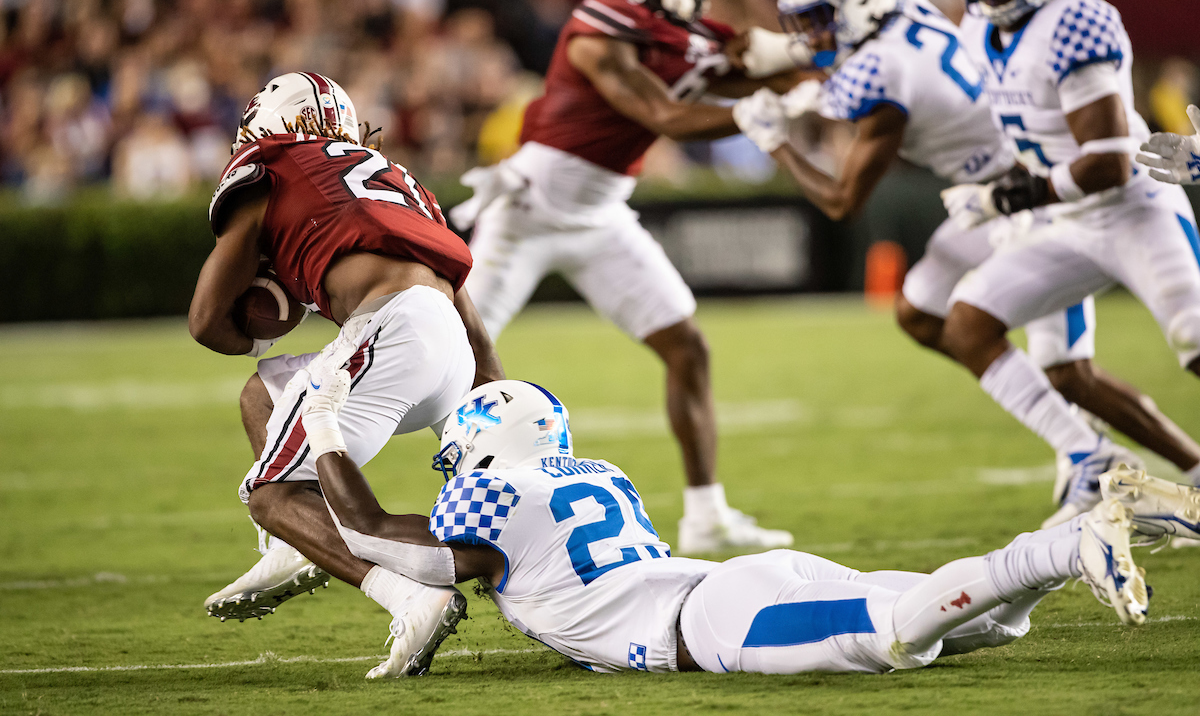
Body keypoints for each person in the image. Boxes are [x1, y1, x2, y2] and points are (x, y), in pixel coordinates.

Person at [730, 0, 1200, 527]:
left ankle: (1096, 460)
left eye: (820, 20)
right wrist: (803, 70)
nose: (810, 36)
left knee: (1078, 368)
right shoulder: (904, 7)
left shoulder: (883, 69)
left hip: (1030, 194)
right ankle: (1096, 457)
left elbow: (843, 200)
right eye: (803, 23)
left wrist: (774, 140)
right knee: (924, 312)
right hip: (999, 198)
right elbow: (859, 62)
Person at [295, 373, 1200, 677]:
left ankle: (1070, 539)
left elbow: (371, 533)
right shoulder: (591, 470)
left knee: (897, 637)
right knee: (986, 624)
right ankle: (1103, 522)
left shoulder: (493, 498)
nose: (451, 466)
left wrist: (328, 425)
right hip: (736, 579)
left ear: (487, 440)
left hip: (708, 619)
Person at [448, 0, 805, 554]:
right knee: (456, 362)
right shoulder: (599, 25)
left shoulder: (688, 39)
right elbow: (663, 112)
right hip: (528, 209)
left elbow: (761, 61)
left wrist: (811, 54)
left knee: (688, 348)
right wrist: (764, 106)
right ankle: (393, 498)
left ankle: (706, 514)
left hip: (603, 214)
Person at [188, 71, 504, 678]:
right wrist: (490, 396)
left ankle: (412, 594)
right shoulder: (397, 179)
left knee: (272, 493)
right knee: (266, 392)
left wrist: (254, 329)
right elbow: (469, 315)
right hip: (450, 346)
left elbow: (205, 322)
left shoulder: (270, 162)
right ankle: (293, 546)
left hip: (390, 332)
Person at [914, 0, 1200, 528]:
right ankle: (1149, 469)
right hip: (1064, 217)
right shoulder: (977, 28)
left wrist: (1008, 199)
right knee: (972, 327)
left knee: (1194, 340)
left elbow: (1109, 165)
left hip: (1132, 209)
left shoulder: (1073, 22)